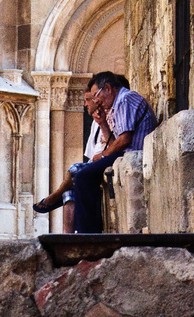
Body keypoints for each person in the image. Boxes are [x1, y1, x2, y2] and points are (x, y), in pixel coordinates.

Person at [33, 77, 127, 231]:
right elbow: (91, 153)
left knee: (76, 170)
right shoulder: (97, 123)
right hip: (97, 162)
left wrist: (102, 154)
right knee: (69, 194)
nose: (88, 103)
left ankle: (55, 196)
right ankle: (70, 240)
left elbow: (119, 143)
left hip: (107, 161)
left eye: (90, 99)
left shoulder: (115, 114)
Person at [70, 71, 157, 233]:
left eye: (96, 96)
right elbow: (115, 143)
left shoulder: (125, 99)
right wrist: (103, 123)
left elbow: (124, 140)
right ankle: (87, 230)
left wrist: (103, 155)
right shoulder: (118, 103)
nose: (96, 101)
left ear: (108, 88)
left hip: (132, 153)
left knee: (83, 176)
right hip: (124, 153)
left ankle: (87, 233)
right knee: (85, 175)